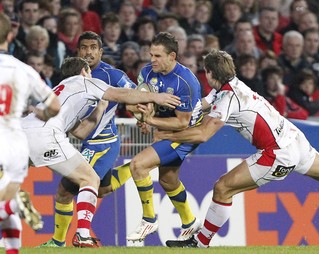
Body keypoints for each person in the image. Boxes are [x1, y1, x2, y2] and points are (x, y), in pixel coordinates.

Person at [147, 49, 319, 248]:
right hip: (294, 138)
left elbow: (203, 134)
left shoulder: (227, 98)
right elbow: (200, 107)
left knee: (222, 188)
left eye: (206, 73)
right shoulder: (230, 85)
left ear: (211, 73)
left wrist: (167, 132)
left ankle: (199, 244)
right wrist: (170, 108)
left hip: (277, 152)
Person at [23, 56, 180, 248]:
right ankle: (82, 234)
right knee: (90, 180)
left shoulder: (60, 90)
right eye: (88, 70)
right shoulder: (86, 82)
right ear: (83, 71)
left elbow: (81, 133)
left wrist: (101, 107)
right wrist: (156, 97)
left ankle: (67, 238)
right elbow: (121, 94)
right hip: (45, 136)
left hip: (21, 133)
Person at [38, 31, 137, 247]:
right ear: (78, 51)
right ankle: (136, 169)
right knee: (101, 188)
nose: (88, 51)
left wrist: (143, 116)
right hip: (85, 141)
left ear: (101, 51)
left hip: (102, 142)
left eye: (93, 47)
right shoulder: (74, 75)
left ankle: (60, 241)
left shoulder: (114, 75)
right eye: (84, 47)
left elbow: (135, 96)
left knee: (65, 190)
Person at [125, 32, 203, 243]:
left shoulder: (186, 82)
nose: (152, 60)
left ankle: (149, 219)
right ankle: (189, 221)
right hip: (167, 130)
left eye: (158, 56)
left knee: (138, 165)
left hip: (187, 134)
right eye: (151, 54)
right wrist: (141, 115)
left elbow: (182, 122)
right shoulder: (147, 72)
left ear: (172, 56)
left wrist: (150, 121)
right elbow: (133, 101)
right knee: (168, 179)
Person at [0, 12, 60, 254]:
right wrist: (43, 115)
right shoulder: (24, 69)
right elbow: (54, 105)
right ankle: (12, 210)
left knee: (6, 203)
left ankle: (13, 207)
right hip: (15, 140)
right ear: (11, 35)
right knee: (6, 196)